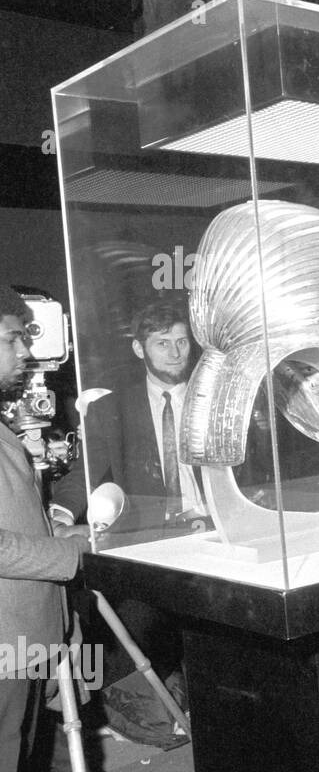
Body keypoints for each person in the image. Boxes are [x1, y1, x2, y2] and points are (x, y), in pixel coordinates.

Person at [50, 299, 197, 748]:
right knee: (134, 626)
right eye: (161, 343)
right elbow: (88, 471)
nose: (174, 353)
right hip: (151, 544)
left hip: (214, 534)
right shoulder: (114, 408)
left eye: (181, 341)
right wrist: (59, 515)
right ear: (139, 350)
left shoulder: (215, 398)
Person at [0, 286, 94, 772]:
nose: (23, 353)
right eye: (12, 338)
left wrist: (56, 526)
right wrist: (70, 552)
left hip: (23, 640)